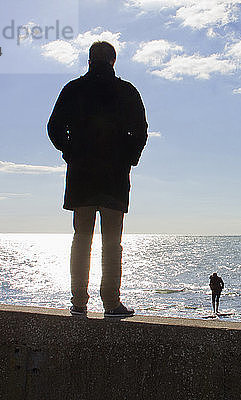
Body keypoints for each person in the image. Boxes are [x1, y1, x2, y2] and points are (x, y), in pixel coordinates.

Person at [47, 41, 148, 318]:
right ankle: (111, 303)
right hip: (114, 178)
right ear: (113, 61)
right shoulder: (126, 91)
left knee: (81, 239)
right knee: (112, 242)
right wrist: (128, 158)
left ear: (90, 60)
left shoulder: (74, 89)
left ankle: (79, 302)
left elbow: (54, 128)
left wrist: (70, 151)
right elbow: (140, 131)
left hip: (81, 177)